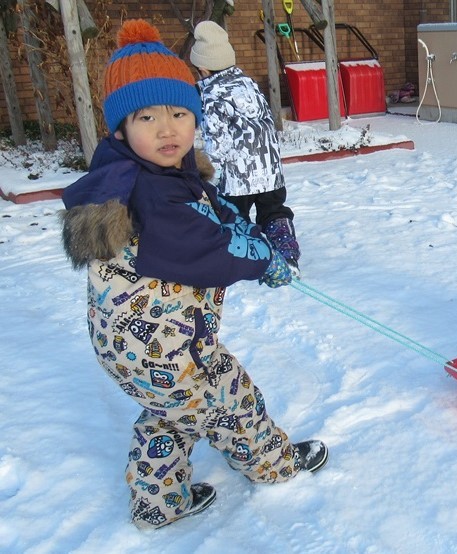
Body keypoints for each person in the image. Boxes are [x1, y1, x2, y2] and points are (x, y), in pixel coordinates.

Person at [60, 19, 327, 530]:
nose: (168, 128)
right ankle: (274, 465)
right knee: (232, 400)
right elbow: (205, 250)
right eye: (147, 116)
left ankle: (157, 504)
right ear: (120, 127)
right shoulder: (152, 195)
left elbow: (208, 205)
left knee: (170, 416)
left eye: (180, 112)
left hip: (136, 351)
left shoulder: (145, 172)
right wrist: (262, 258)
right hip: (169, 345)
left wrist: (228, 213)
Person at [189, 20, 301, 277]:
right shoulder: (248, 84)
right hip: (270, 171)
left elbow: (219, 145)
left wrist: (208, 175)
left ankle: (243, 256)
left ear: (203, 68)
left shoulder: (212, 96)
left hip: (237, 177)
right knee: (273, 211)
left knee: (232, 214)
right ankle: (286, 253)